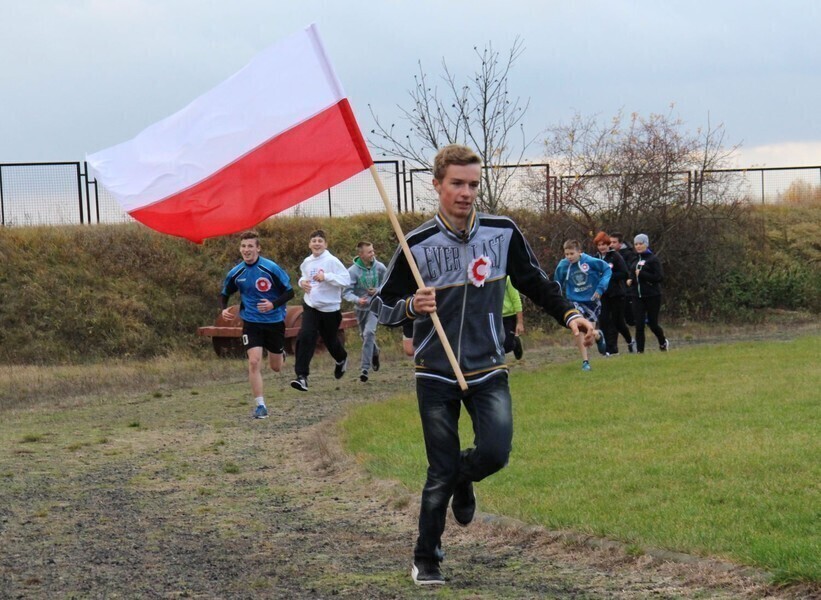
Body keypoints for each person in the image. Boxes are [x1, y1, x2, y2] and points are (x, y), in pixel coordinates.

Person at [375, 144, 597, 586]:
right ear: (437, 185)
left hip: (488, 366)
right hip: (435, 371)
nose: (466, 192)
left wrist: (570, 315)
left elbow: (536, 281)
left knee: (495, 452)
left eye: (473, 184)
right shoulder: (415, 243)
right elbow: (378, 306)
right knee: (438, 468)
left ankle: (465, 477)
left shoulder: (502, 232)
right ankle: (427, 558)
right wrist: (410, 307)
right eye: (456, 183)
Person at [220, 230, 294, 419]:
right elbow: (225, 292)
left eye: (250, 246)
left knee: (276, 367)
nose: (246, 250)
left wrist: (272, 304)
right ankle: (260, 405)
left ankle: (280, 353)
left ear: (258, 248)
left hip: (274, 321)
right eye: (243, 246)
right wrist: (223, 308)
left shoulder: (270, 268)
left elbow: (289, 292)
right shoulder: (237, 272)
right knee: (253, 362)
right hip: (251, 322)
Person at [290, 230, 351, 392]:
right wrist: (302, 282)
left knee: (330, 340)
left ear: (326, 244)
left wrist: (327, 277)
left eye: (320, 241)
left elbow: (346, 280)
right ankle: (301, 377)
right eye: (314, 241)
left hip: (330, 309)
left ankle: (341, 358)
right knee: (306, 336)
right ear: (310, 244)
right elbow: (303, 277)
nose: (317, 243)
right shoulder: (307, 262)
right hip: (311, 306)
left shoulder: (332, 261)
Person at [553, 239, 610, 371]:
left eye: (571, 254)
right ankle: (585, 362)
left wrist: (600, 288)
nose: (569, 257)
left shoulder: (590, 261)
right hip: (574, 301)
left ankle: (598, 335)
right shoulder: (563, 266)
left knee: (589, 335)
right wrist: (557, 299)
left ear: (580, 252)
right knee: (578, 329)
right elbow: (556, 283)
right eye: (566, 254)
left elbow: (607, 270)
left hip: (592, 300)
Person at [343, 241, 387, 382]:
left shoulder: (380, 268)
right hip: (360, 309)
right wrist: (357, 300)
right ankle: (375, 351)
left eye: (373, 251)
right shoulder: (352, 272)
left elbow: (388, 284)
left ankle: (364, 369)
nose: (372, 254)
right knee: (365, 336)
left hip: (375, 306)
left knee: (369, 333)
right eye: (369, 252)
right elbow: (346, 292)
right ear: (360, 254)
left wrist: (378, 290)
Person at [594, 231, 635, 355]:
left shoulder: (615, 256)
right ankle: (609, 349)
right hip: (603, 295)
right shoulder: (594, 258)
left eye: (604, 245)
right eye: (599, 245)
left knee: (617, 322)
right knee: (604, 321)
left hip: (617, 294)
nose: (602, 247)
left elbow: (624, 273)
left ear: (608, 245)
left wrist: (608, 276)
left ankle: (629, 341)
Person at [629, 233, 669, 353]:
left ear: (646, 244)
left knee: (653, 324)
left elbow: (659, 277)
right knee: (639, 325)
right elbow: (632, 273)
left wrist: (642, 274)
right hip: (637, 296)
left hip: (652, 295)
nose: (638, 246)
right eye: (636, 244)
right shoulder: (635, 259)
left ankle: (662, 342)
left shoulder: (653, 259)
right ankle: (640, 352)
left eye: (641, 244)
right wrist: (630, 279)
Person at [609, 232, 638, 328]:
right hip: (614, 290)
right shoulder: (609, 254)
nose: (611, 244)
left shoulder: (629, 255)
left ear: (620, 243)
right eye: (610, 242)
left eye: (614, 242)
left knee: (630, 318)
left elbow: (629, 271)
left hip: (627, 289)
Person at [502, 276, 525, 359]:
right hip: (494, 316)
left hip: (509, 316)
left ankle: (515, 342)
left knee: (506, 347)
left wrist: (520, 322)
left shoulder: (508, 278)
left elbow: (516, 299)